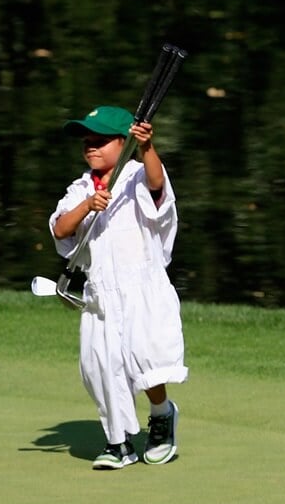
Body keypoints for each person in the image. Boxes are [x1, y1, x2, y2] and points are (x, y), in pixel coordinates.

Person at [49, 105, 187, 471]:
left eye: (99, 141)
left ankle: (161, 415)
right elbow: (61, 229)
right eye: (86, 142)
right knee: (103, 366)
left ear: (122, 142)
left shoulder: (137, 175)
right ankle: (118, 443)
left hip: (141, 286)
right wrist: (88, 205)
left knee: (147, 361)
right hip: (102, 293)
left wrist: (146, 148)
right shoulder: (81, 188)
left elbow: (158, 187)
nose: (90, 147)